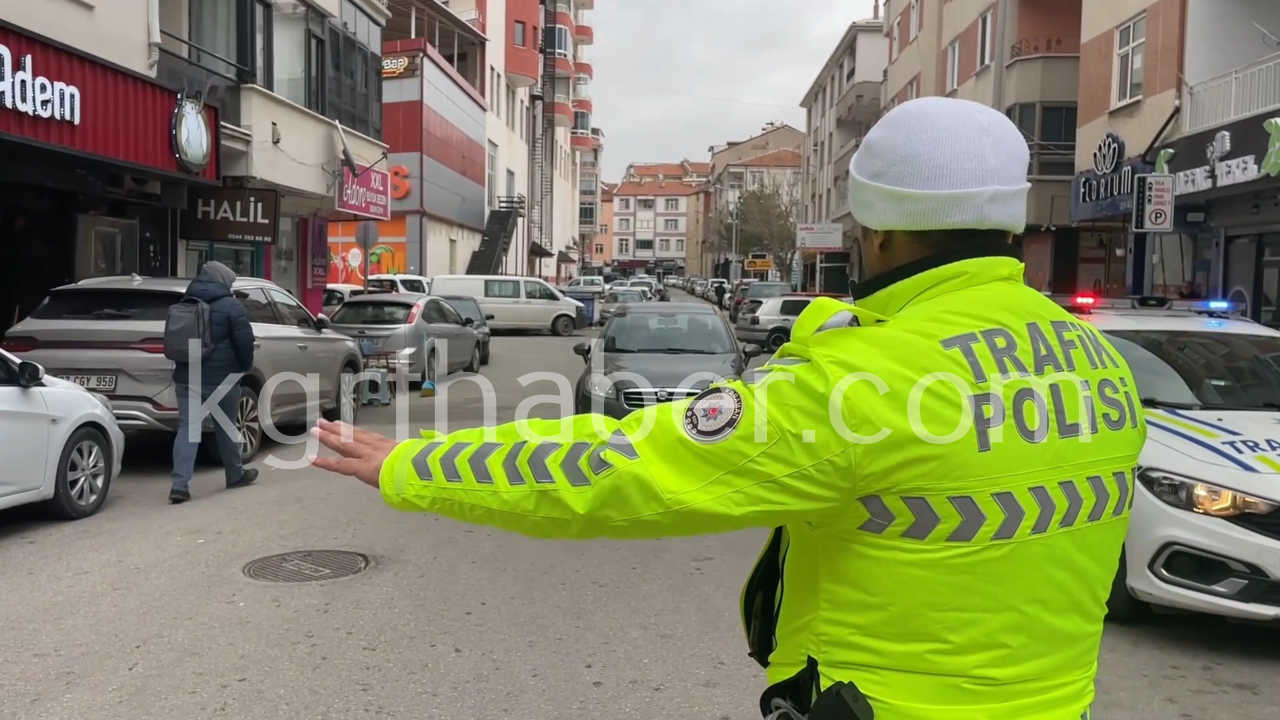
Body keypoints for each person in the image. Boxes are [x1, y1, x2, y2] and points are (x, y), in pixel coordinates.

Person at [312, 97, 1145, 720]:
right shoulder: (1093, 357)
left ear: (876, 230)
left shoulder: (868, 378)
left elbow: (621, 469)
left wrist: (416, 465)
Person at [170, 261, 257, 503]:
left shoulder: (185, 302)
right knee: (227, 427)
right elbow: (244, 342)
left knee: (188, 429)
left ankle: (179, 486)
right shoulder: (232, 306)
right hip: (222, 378)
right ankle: (235, 474)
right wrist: (244, 367)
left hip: (187, 376)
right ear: (223, 281)